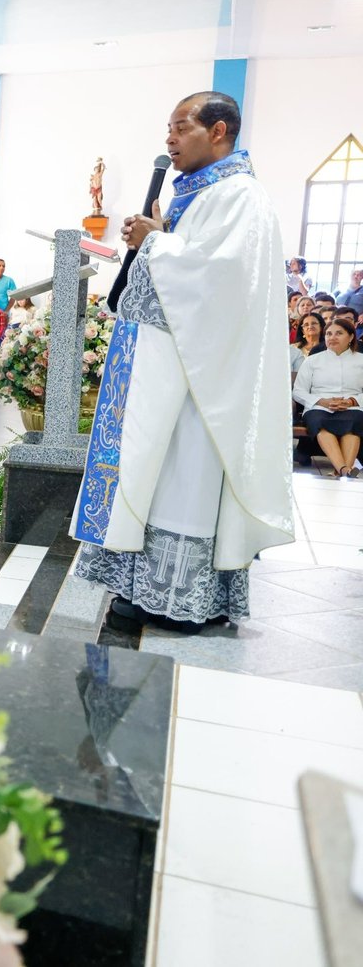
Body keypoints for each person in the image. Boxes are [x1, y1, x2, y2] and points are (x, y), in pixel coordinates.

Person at [72, 90, 294, 633]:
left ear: (218, 131)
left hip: (203, 383)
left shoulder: (241, 196)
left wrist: (158, 245)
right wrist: (158, 240)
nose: (168, 139)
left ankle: (179, 597)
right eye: (168, 129)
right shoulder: (200, 194)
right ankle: (143, 587)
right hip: (170, 369)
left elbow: (219, 283)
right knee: (154, 470)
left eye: (180, 127)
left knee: (183, 479)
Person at [294, 318, 363, 477]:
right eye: (329, 334)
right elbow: (298, 391)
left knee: (353, 423)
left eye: (339, 333)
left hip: (353, 406)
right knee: (320, 423)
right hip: (318, 406)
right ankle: (345, 470)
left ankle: (341, 470)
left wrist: (352, 401)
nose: (332, 337)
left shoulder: (361, 360)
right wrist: (322, 402)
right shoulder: (313, 361)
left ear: (351, 337)